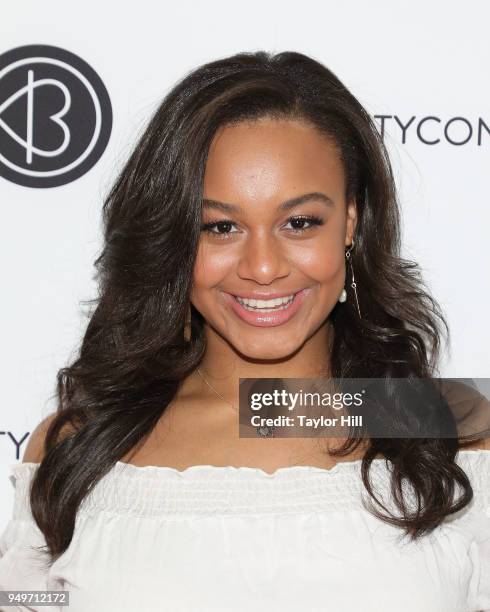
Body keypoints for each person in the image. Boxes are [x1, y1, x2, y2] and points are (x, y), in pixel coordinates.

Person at [0, 50, 489, 612]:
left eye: (299, 222)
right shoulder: (80, 446)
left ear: (350, 222)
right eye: (220, 226)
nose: (262, 267)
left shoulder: (456, 432)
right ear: (176, 238)